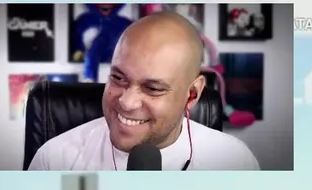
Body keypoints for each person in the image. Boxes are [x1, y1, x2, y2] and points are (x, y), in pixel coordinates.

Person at [28, 11, 260, 171]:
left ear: (191, 95)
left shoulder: (235, 162)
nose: (127, 102)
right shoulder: (55, 160)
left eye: (152, 88)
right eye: (118, 78)